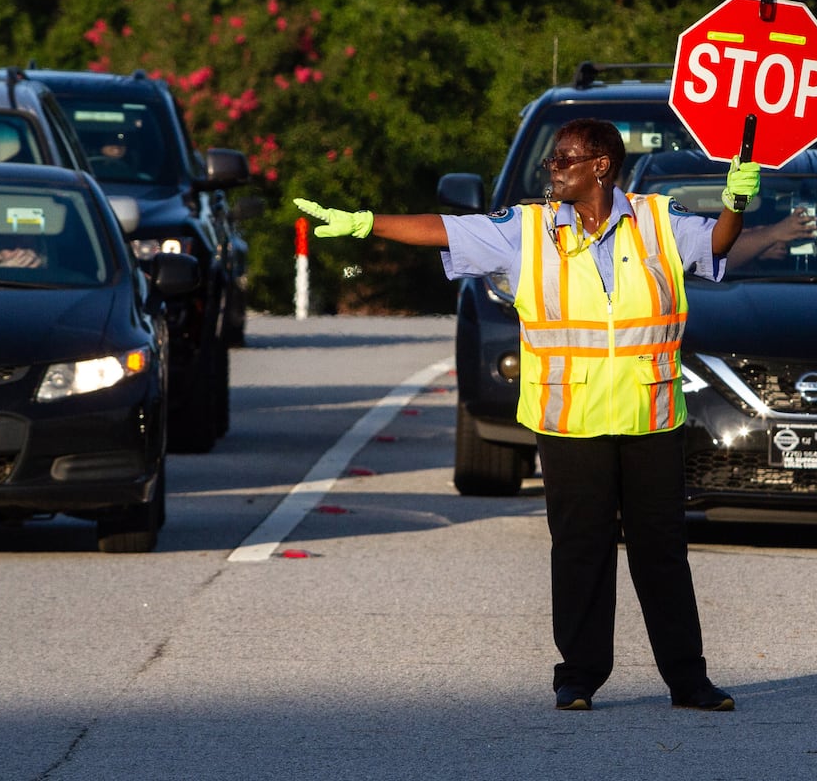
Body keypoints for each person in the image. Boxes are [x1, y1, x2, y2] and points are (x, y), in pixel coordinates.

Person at [294, 117, 758, 714]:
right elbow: (445, 230)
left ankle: (688, 680)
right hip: (569, 421)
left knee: (661, 551)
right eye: (550, 160)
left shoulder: (657, 221)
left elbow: (717, 244)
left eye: (564, 159)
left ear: (601, 167)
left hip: (650, 417)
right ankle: (580, 676)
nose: (552, 168)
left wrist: (736, 202)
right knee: (579, 549)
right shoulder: (527, 230)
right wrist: (366, 223)